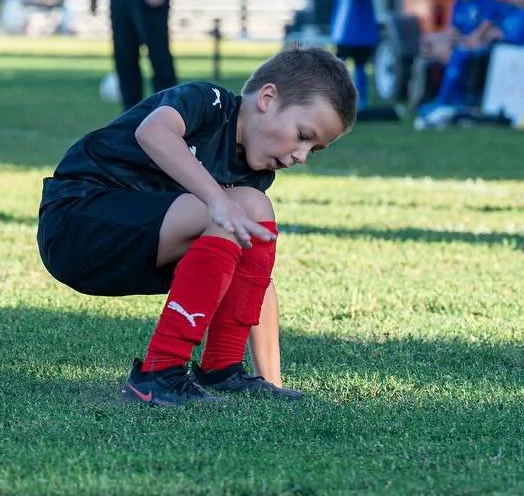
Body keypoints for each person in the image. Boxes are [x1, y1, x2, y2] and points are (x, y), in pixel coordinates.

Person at [37, 45, 357, 406]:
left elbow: (255, 279)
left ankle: (223, 369)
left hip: (137, 249)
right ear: (267, 98)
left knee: (254, 207)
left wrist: (272, 382)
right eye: (303, 134)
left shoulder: (254, 173)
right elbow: (153, 132)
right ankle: (159, 374)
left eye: (314, 149)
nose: (301, 156)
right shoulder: (209, 101)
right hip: (76, 225)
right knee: (236, 212)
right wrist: (217, 200)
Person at [418, 0, 507, 116]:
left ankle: (445, 100)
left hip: (483, 45)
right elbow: (453, 29)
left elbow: (484, 29)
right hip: (464, 43)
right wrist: (440, 40)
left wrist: (464, 41)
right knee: (434, 48)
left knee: (457, 55)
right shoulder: (458, 3)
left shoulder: (485, 0)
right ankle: (453, 99)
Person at [330, 0, 384, 109]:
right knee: (341, 65)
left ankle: (361, 102)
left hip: (364, 26)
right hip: (346, 26)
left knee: (362, 64)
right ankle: (338, 100)